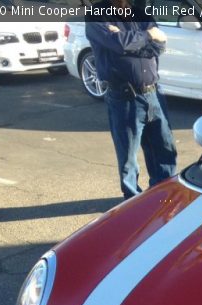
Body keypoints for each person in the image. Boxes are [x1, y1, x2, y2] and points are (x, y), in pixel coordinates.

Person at [85, 0, 177, 199]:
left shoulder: (140, 13)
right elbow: (117, 43)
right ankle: (133, 201)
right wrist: (147, 36)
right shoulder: (96, 15)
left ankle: (164, 195)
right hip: (125, 98)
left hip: (154, 94)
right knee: (128, 158)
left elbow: (159, 46)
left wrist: (128, 42)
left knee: (165, 149)